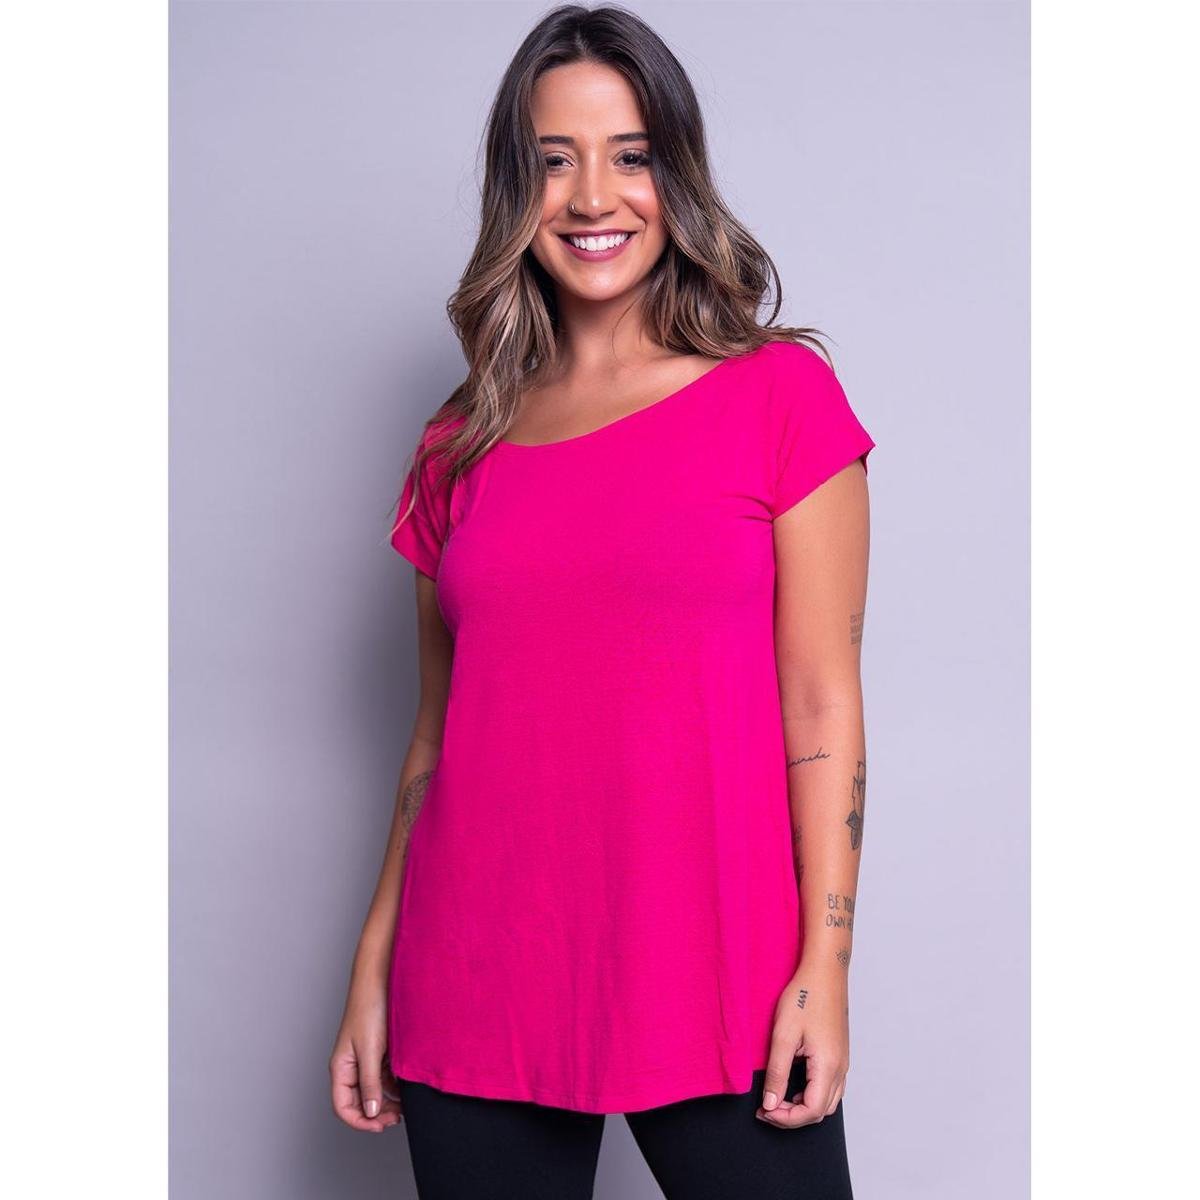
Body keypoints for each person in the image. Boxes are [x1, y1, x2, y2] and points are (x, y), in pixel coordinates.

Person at [330, 6, 876, 1197]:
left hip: (721, 973)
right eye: (553, 160)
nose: (592, 198)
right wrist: (374, 962)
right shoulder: (458, 444)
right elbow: (436, 738)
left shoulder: (779, 398)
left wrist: (824, 969)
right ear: (513, 189)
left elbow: (823, 705)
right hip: (475, 975)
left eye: (630, 155)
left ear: (676, 175)